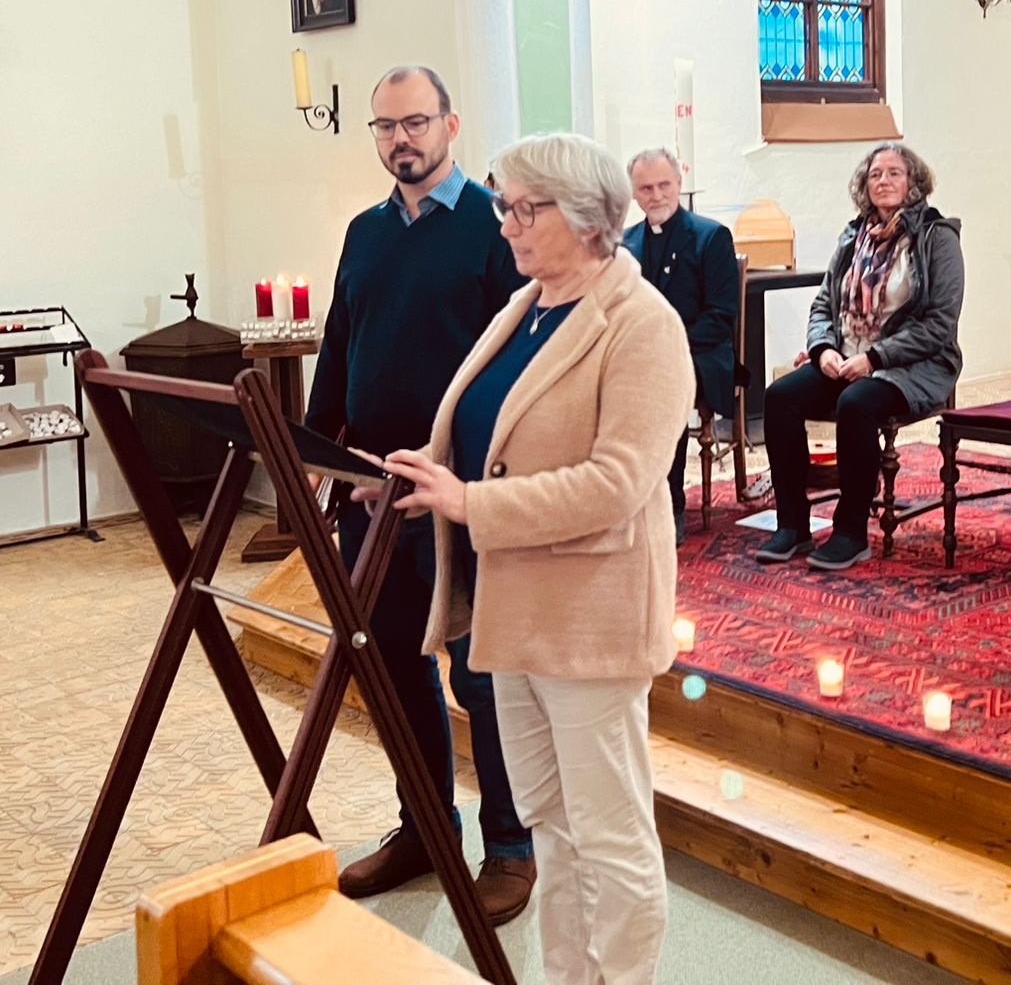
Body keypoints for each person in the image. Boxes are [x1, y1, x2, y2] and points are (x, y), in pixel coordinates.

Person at [388, 132, 690, 985]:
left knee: (611, 838)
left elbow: (617, 483)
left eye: (527, 209)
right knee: (551, 829)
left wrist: (469, 504)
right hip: (514, 609)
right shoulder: (527, 305)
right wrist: (422, 475)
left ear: (589, 217)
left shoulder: (642, 324)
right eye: (504, 207)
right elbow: (490, 438)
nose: (507, 225)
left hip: (591, 617)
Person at [303, 66, 536, 921]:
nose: (400, 139)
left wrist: (462, 473)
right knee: (391, 664)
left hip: (457, 492)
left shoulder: (493, 226)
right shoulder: (363, 233)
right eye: (385, 126)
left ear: (450, 124)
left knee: (481, 676)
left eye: (415, 122)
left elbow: (515, 366)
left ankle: (511, 846)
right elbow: (341, 344)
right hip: (371, 494)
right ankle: (424, 830)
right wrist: (319, 452)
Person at [756, 143, 964, 572]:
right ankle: (792, 524)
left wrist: (875, 358)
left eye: (894, 173)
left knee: (856, 403)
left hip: (912, 366)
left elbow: (939, 325)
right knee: (779, 397)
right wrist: (823, 349)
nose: (883, 181)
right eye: (875, 175)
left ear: (913, 182)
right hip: (848, 356)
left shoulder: (937, 237)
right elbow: (823, 305)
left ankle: (850, 532)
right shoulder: (853, 237)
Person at [623, 148, 739, 542]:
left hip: (701, 356)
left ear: (679, 183)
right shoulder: (625, 244)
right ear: (634, 193)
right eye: (646, 188)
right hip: (642, 358)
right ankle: (623, 496)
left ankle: (669, 501)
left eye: (664, 185)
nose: (656, 195)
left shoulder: (711, 236)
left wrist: (666, 346)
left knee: (660, 386)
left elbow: (720, 316)